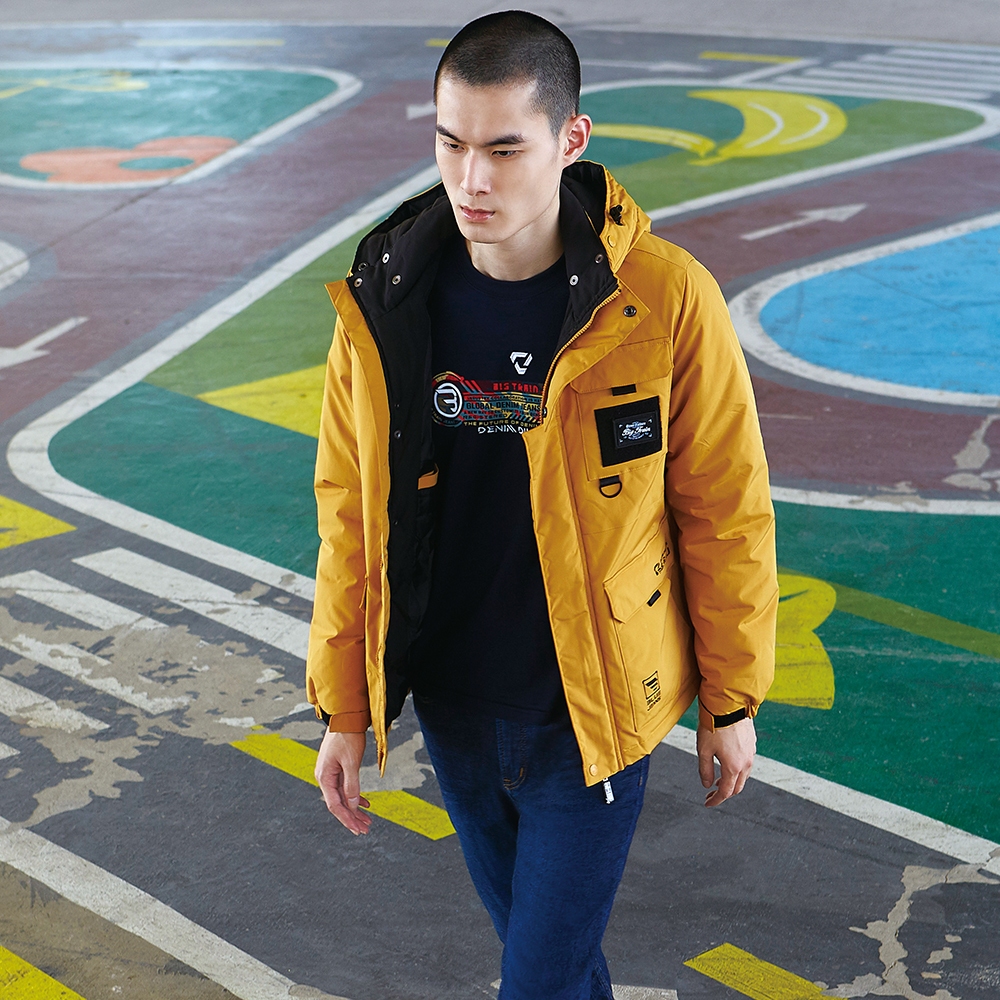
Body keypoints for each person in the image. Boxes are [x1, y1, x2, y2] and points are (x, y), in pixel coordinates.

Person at [306, 11, 777, 1000]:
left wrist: (731, 697)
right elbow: (351, 517)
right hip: (454, 704)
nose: (470, 180)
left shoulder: (663, 300)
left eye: (504, 149)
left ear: (570, 140)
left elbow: (724, 507)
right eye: (450, 144)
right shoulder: (386, 303)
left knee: (536, 980)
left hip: (590, 713)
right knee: (552, 967)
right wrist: (346, 706)